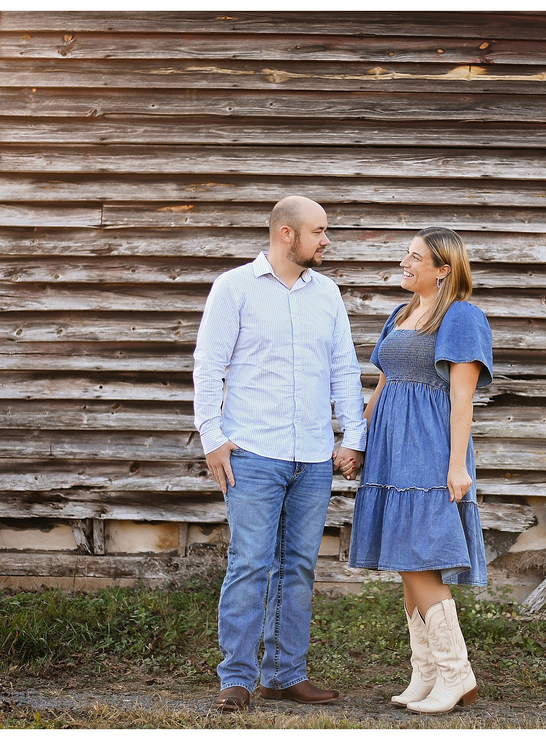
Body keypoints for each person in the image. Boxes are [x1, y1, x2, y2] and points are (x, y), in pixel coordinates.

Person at [193, 195, 366, 712]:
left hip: (313, 457)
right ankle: (238, 679)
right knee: (248, 564)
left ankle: (285, 674)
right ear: (287, 234)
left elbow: (344, 369)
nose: (326, 240)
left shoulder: (327, 293)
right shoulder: (234, 288)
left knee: (299, 568)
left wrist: (353, 436)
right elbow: (209, 365)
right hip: (254, 453)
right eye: (319, 231)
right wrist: (211, 436)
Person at [348, 226, 493, 715]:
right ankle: (425, 672)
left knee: (420, 557)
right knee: (408, 563)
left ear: (443, 269)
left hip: (430, 447)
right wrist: (359, 441)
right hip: (391, 448)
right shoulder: (402, 313)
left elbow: (462, 397)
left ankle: (457, 675)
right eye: (405, 255)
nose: (404, 264)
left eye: (415, 258)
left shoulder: (462, 317)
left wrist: (457, 466)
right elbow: (384, 384)